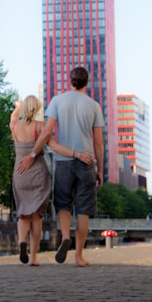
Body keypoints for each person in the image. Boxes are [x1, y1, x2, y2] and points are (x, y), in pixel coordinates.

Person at [18, 66, 104, 267]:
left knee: (63, 205)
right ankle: (79, 256)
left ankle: (66, 236)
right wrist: (100, 169)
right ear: (87, 82)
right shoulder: (94, 106)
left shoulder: (57, 101)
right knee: (83, 210)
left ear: (70, 82)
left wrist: (32, 154)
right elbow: (99, 142)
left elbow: (47, 133)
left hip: (63, 162)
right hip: (87, 162)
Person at [10, 94, 92, 266]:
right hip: (38, 173)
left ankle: (21, 242)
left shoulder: (14, 125)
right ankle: (33, 258)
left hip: (20, 172)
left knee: (23, 214)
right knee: (37, 216)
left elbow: (13, 115)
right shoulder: (40, 127)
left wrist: (18, 105)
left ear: (24, 109)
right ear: (38, 109)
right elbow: (54, 147)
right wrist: (77, 154)